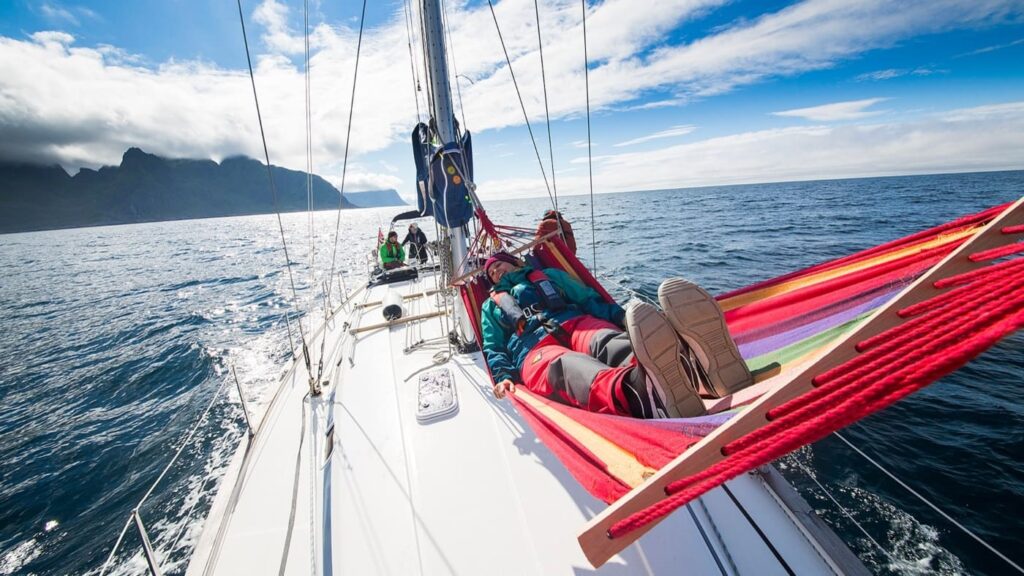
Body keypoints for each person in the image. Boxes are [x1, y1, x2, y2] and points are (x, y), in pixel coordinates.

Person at [480, 252, 752, 418]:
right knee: (570, 367)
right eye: (491, 272)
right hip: (533, 349)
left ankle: (696, 374)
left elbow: (587, 298)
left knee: (606, 340)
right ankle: (640, 394)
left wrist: (619, 317)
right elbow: (494, 345)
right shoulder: (491, 305)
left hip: (574, 322)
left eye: (499, 265)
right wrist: (504, 376)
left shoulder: (548, 275)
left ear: (514, 263)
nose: (495, 271)